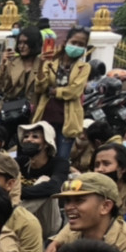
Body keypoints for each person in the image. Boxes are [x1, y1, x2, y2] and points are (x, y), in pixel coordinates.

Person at [32, 26, 91, 162]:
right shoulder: (50, 63)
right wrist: (41, 64)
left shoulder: (84, 67)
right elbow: (40, 87)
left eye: (81, 44)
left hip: (68, 119)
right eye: (74, 42)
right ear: (66, 42)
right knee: (43, 155)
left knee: (62, 158)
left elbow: (75, 91)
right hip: (46, 115)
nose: (76, 46)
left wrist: (54, 91)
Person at [17, 121, 70, 236]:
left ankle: (11, 218)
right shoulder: (19, 162)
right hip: (27, 220)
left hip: (49, 224)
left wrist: (16, 192)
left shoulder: (59, 163)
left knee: (45, 180)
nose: (29, 139)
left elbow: (54, 187)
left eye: (35, 136)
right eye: (26, 136)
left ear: (46, 143)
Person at [0, 26, 42, 140]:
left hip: (32, 114)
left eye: (26, 43)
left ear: (34, 43)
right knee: (2, 142)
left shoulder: (42, 63)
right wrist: (3, 64)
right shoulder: (12, 62)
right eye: (19, 42)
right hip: (10, 111)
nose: (21, 46)